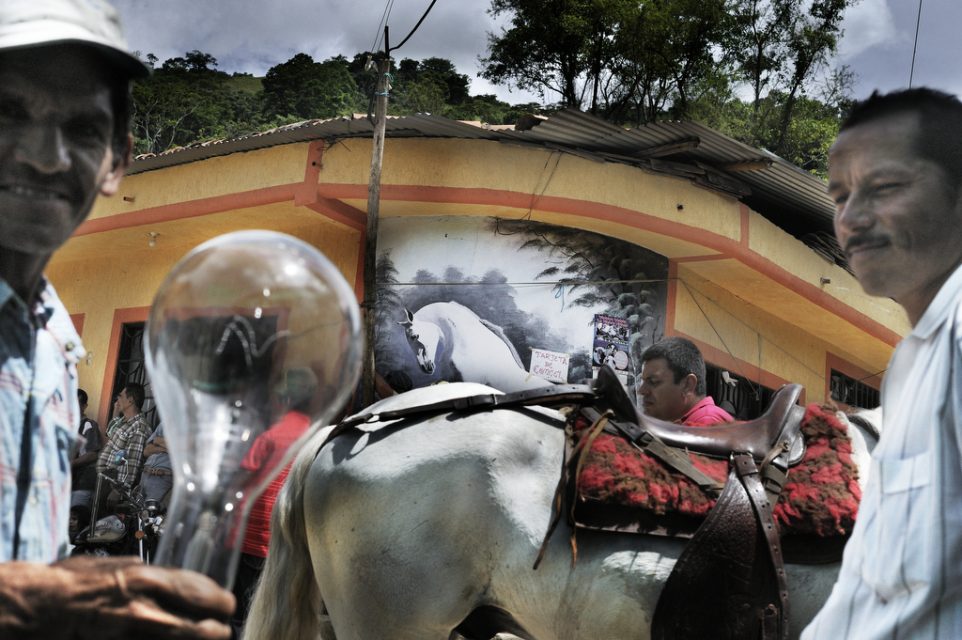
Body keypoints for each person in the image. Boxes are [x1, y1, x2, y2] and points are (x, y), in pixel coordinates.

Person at [0, 1, 234, 636]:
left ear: (116, 160)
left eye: (81, 128)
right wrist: (21, 603)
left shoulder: (54, 343)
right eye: (8, 111)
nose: (46, 155)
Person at [802, 88, 962, 638]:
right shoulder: (912, 362)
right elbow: (866, 591)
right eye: (840, 195)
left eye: (885, 187)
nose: (850, 218)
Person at [230, 367, 317, 637]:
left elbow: (241, 479)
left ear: (285, 400)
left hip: (250, 539)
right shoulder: (316, 436)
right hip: (287, 542)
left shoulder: (271, 433)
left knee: (239, 615)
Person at [636, 336, 734, 426]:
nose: (642, 391)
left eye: (653, 381)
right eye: (643, 381)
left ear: (687, 385)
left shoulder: (706, 422)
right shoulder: (684, 424)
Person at [96, 383, 151, 499]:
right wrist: (116, 409)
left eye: (120, 396)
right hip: (104, 478)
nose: (117, 399)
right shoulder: (124, 421)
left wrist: (118, 491)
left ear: (130, 400)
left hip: (113, 484)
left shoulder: (139, 427)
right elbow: (110, 432)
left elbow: (131, 461)